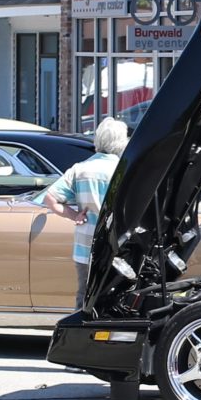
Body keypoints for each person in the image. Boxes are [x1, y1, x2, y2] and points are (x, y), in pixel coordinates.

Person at [45, 118, 131, 306]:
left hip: (85, 245)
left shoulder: (80, 169)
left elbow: (50, 198)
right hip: (117, 244)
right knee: (115, 297)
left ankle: (79, 331)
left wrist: (74, 215)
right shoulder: (123, 170)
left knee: (85, 294)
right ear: (122, 142)